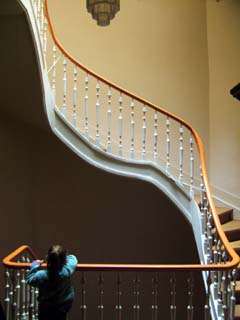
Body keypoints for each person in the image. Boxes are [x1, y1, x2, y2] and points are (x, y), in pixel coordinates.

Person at [27, 245, 78, 320]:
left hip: (45, 309)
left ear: (47, 258)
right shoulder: (66, 271)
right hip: (62, 308)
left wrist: (34, 265)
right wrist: (64, 258)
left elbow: (30, 279)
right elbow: (73, 258)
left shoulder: (41, 275)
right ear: (64, 261)